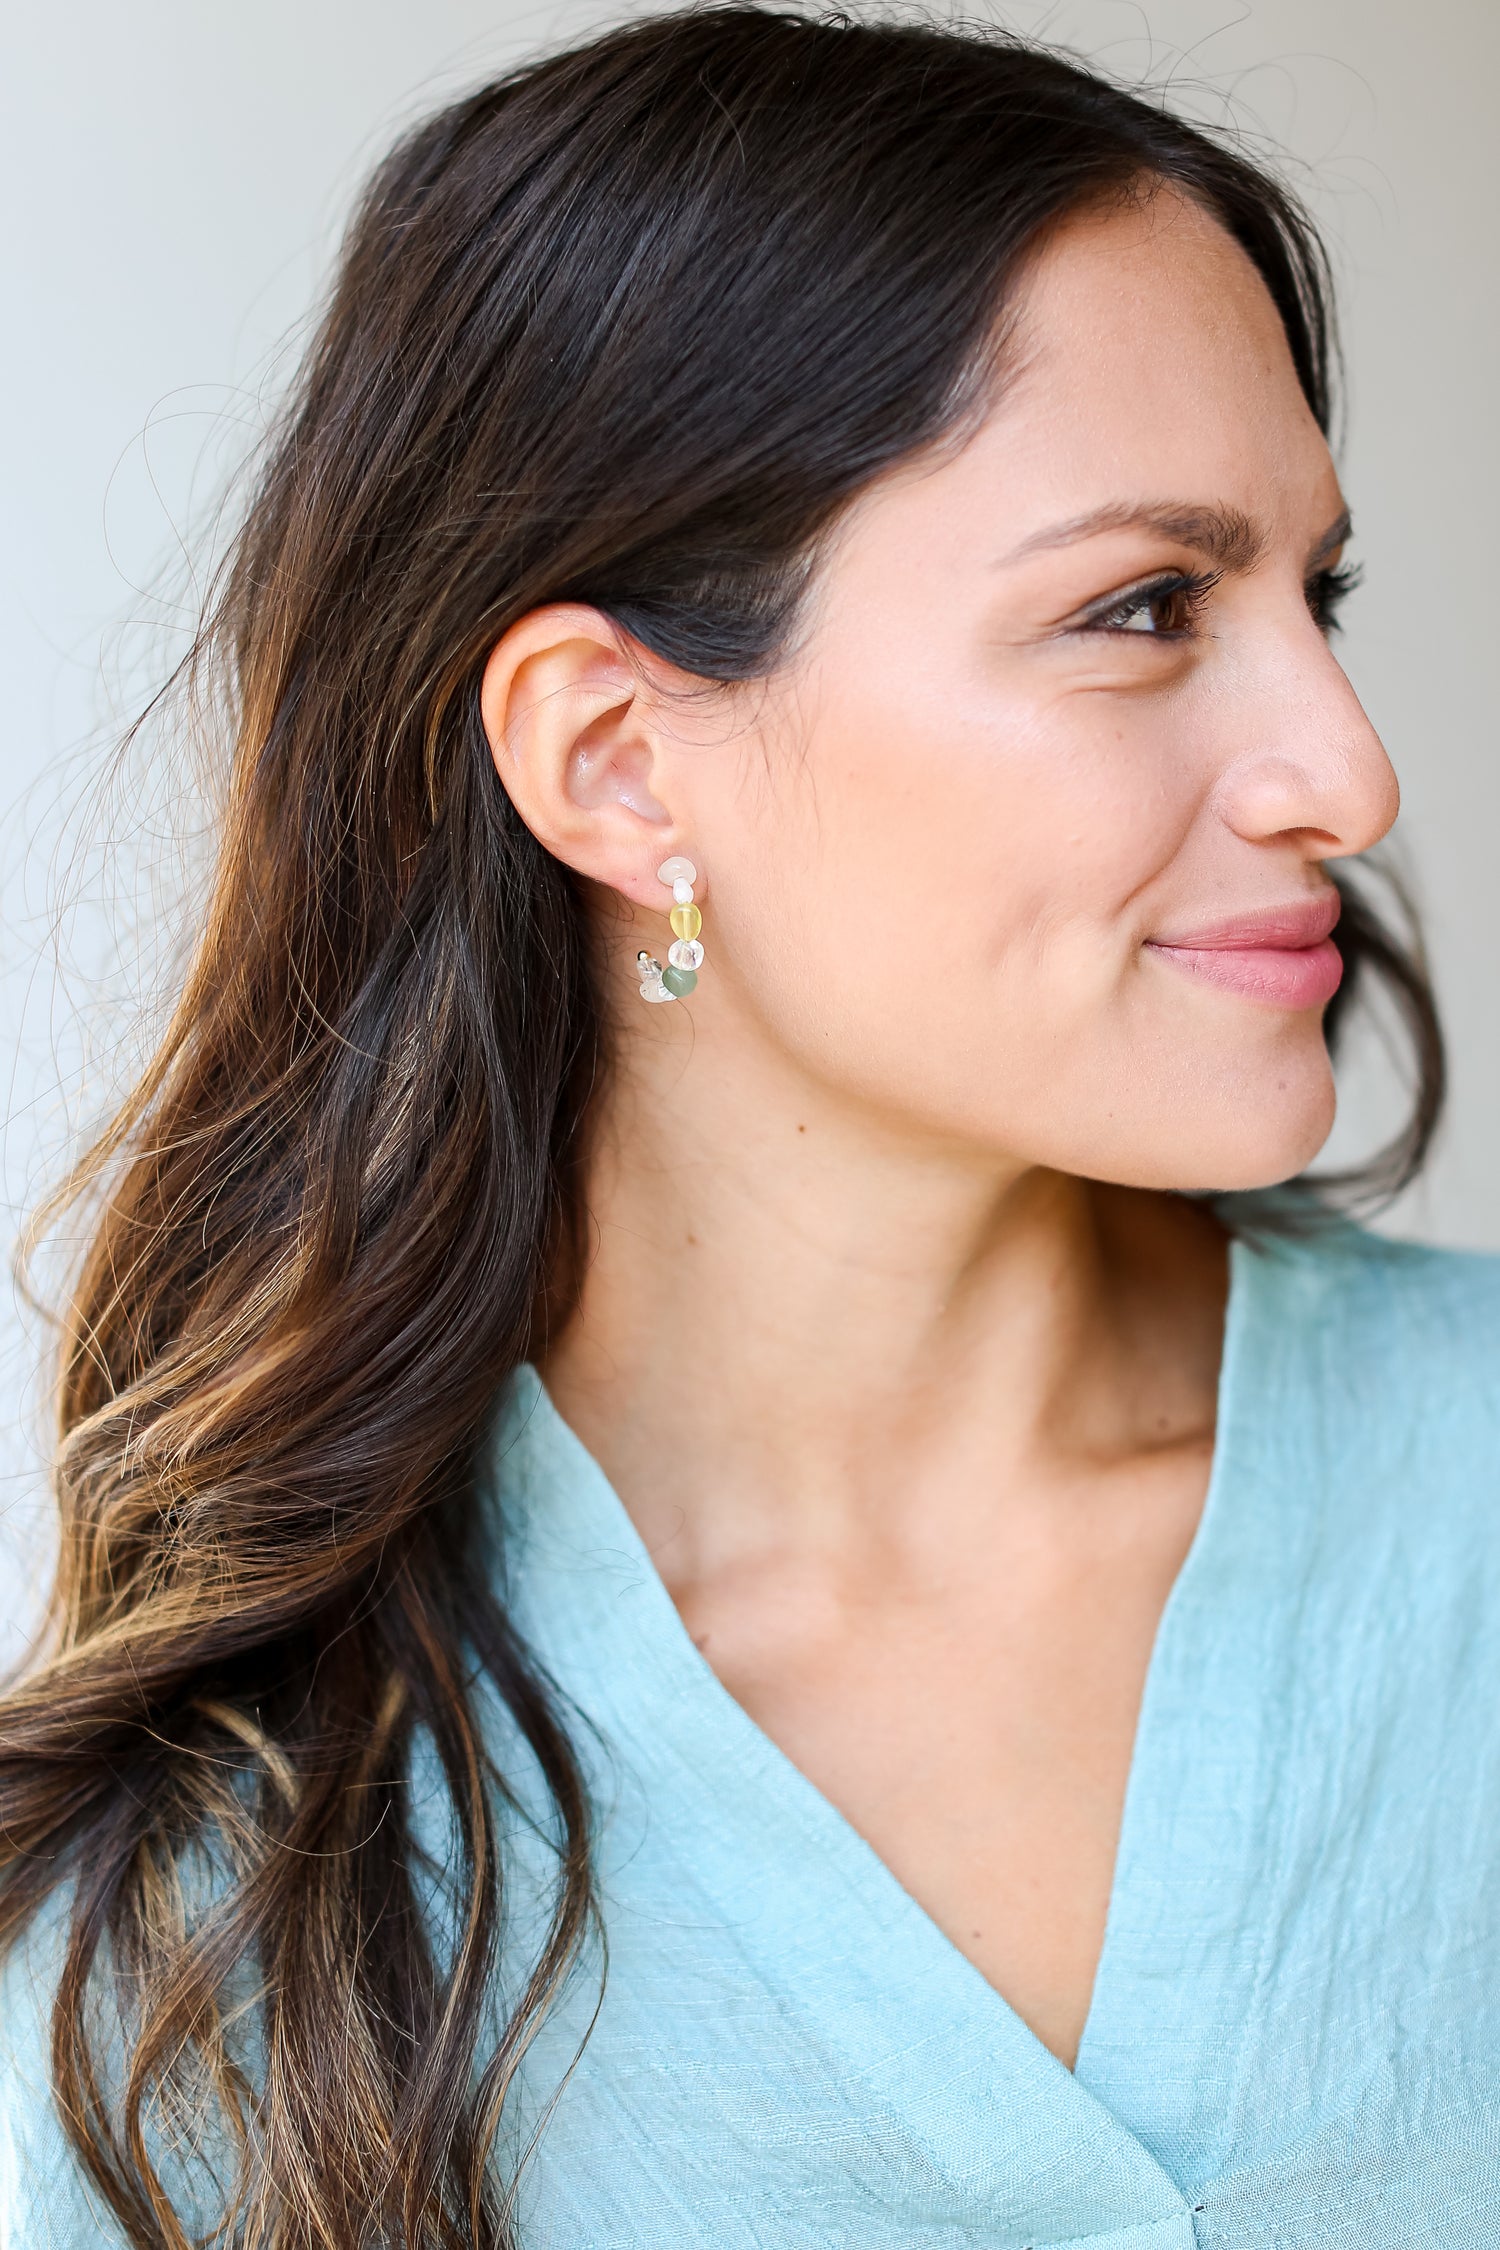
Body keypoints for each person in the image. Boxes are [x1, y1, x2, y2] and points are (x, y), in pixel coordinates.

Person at [2, 7, 1495, 2246]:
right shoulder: (210, 1897)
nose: (1348, 774)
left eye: (1317, 593)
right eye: (1143, 608)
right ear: (618, 756)